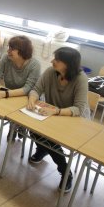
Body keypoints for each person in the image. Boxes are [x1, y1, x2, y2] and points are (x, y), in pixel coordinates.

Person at [27, 47, 90, 193]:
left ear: (68, 64)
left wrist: (56, 111)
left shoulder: (80, 79)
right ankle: (42, 149)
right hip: (52, 114)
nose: (52, 61)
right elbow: (36, 89)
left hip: (74, 119)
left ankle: (66, 173)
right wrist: (32, 99)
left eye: (56, 59)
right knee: (32, 127)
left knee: (51, 140)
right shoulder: (50, 72)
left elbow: (79, 109)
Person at [0, 36, 41, 140]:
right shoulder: (6, 58)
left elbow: (27, 89)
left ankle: (16, 126)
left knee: (17, 116)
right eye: (9, 48)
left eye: (11, 49)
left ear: (22, 52)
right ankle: (15, 125)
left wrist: (4, 94)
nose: (8, 51)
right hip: (10, 96)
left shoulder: (35, 65)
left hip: (26, 100)